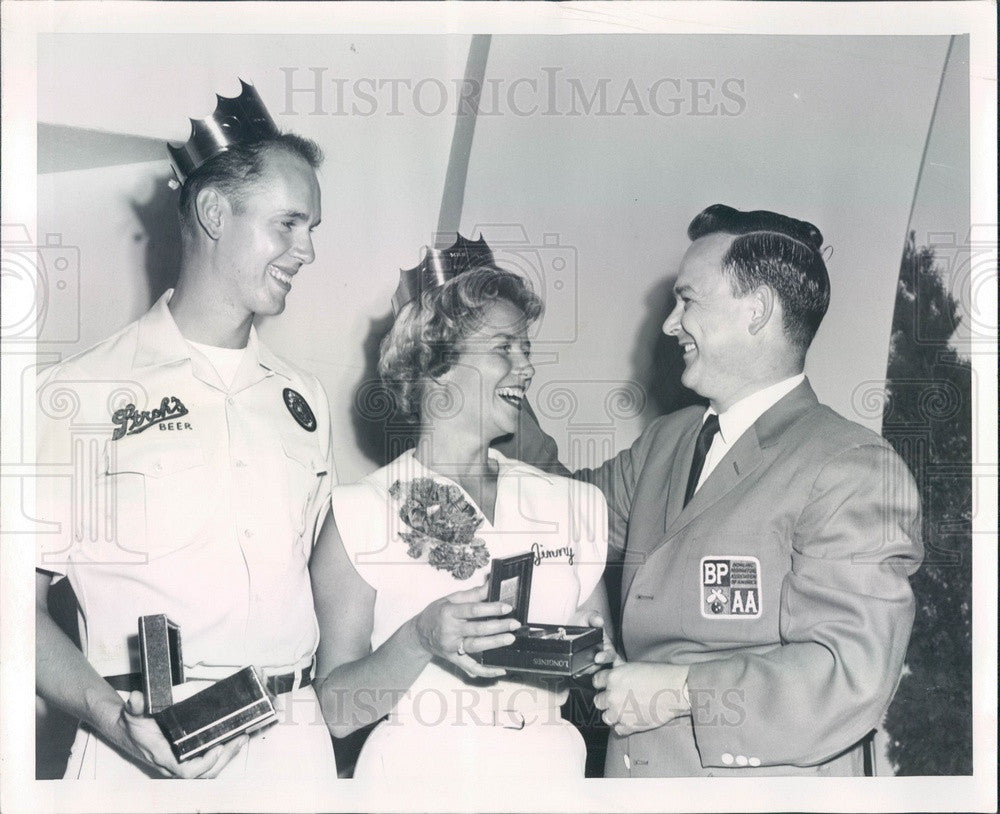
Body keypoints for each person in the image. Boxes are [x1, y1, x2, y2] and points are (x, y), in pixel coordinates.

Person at [522, 204, 923, 776]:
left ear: (756, 310)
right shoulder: (668, 441)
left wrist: (682, 688)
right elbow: (558, 510)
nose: (668, 324)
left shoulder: (850, 468)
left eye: (688, 300)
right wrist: (490, 381)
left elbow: (849, 673)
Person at [34, 81, 337, 780]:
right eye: (288, 224)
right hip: (136, 750)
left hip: (292, 749)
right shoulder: (75, 395)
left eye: (312, 229)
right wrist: (115, 722)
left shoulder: (305, 399)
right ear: (211, 211)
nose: (306, 252)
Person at [310, 242, 611, 780]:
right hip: (417, 783)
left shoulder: (573, 505)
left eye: (526, 348)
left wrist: (597, 665)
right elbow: (334, 712)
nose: (528, 366)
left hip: (549, 779)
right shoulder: (359, 512)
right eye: (504, 348)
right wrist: (420, 638)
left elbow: (600, 673)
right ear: (437, 361)